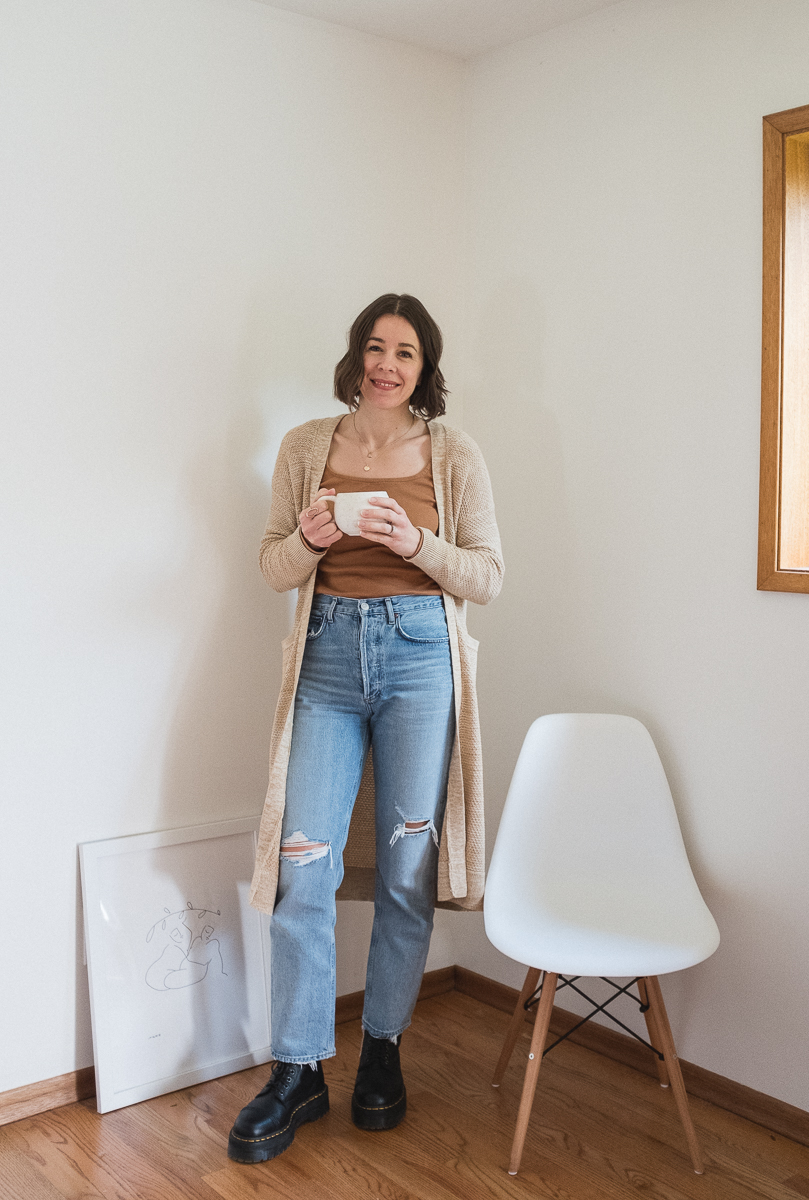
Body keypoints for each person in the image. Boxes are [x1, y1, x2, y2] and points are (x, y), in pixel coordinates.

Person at [228, 294, 503, 1163]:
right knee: (300, 864)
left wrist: (419, 542)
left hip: (421, 658)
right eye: (376, 348)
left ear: (425, 370)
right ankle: (298, 1067)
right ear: (355, 358)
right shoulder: (307, 446)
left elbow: (487, 577)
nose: (388, 363)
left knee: (404, 866)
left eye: (407, 353)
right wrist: (310, 540)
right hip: (327, 661)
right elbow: (274, 563)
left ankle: (381, 1048)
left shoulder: (454, 453)